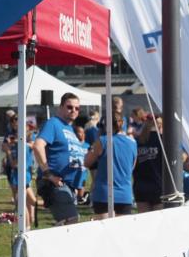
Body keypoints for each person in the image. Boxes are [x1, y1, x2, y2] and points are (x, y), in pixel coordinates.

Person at [32, 93, 83, 225]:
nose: (74, 110)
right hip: (55, 182)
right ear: (60, 107)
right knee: (70, 222)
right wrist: (48, 173)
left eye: (77, 108)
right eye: (70, 107)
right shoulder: (53, 123)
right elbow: (38, 146)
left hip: (68, 186)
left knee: (67, 224)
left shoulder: (70, 128)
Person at [85, 114, 137, 218]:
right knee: (122, 232)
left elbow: (87, 162)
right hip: (125, 194)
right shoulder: (132, 142)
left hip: (104, 193)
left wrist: (95, 142)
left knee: (105, 232)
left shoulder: (103, 140)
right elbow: (132, 167)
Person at [133, 115, 164, 213]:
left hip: (140, 186)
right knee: (158, 223)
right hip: (158, 186)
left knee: (144, 224)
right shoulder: (164, 141)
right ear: (160, 126)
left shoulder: (137, 141)